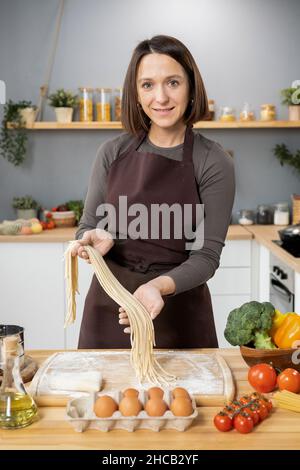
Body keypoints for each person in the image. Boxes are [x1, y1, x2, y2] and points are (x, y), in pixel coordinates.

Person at [72, 35, 235, 349]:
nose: (160, 97)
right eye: (147, 85)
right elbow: (87, 225)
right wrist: (94, 237)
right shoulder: (111, 152)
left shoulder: (213, 161)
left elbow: (206, 257)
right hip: (110, 307)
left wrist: (157, 287)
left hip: (178, 311)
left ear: (191, 87)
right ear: (135, 93)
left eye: (172, 82)